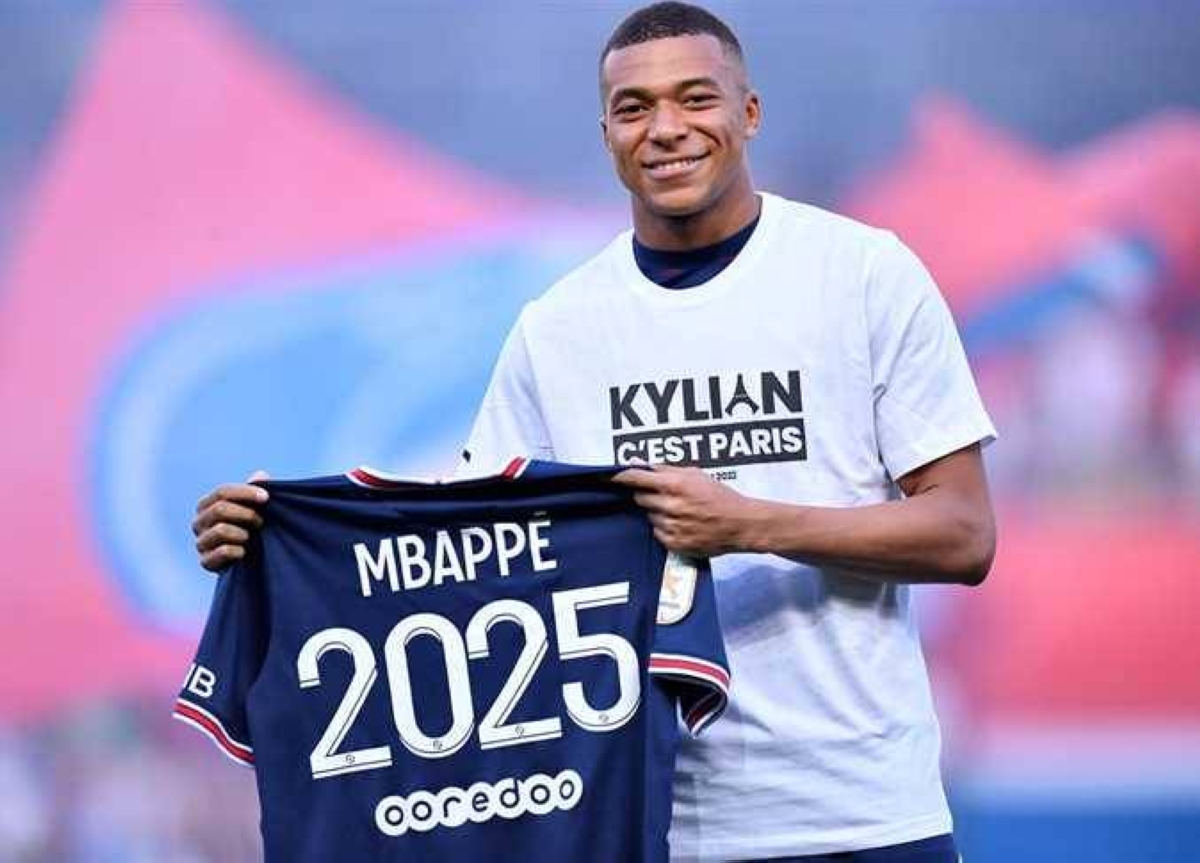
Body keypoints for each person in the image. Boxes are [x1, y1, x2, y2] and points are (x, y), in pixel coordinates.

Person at [191, 3, 995, 861]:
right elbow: (463, 557)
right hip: (652, 825)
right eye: (634, 108)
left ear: (750, 112)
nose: (667, 128)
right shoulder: (559, 328)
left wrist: (746, 523)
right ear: (607, 133)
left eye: (696, 98)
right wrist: (281, 537)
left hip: (865, 812)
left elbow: (964, 534)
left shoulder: (864, 274)